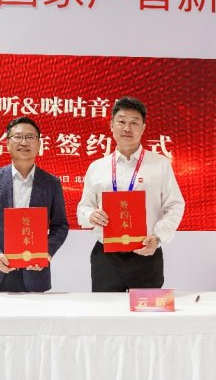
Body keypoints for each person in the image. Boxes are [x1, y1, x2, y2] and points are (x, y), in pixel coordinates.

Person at [77, 97, 185, 292]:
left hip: (146, 253)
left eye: (134, 122)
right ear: (111, 125)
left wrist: (158, 237)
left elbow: (174, 205)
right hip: (106, 257)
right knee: (106, 310)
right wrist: (90, 215)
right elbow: (84, 207)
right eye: (121, 121)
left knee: (147, 311)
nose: (127, 128)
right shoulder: (97, 167)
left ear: (143, 128)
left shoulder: (160, 164)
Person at [0, 116, 68, 292]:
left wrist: (45, 253)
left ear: (39, 144)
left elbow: (60, 226)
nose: (24, 142)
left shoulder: (51, 183)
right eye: (18, 136)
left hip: (34, 272)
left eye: (30, 137)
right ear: (7, 143)